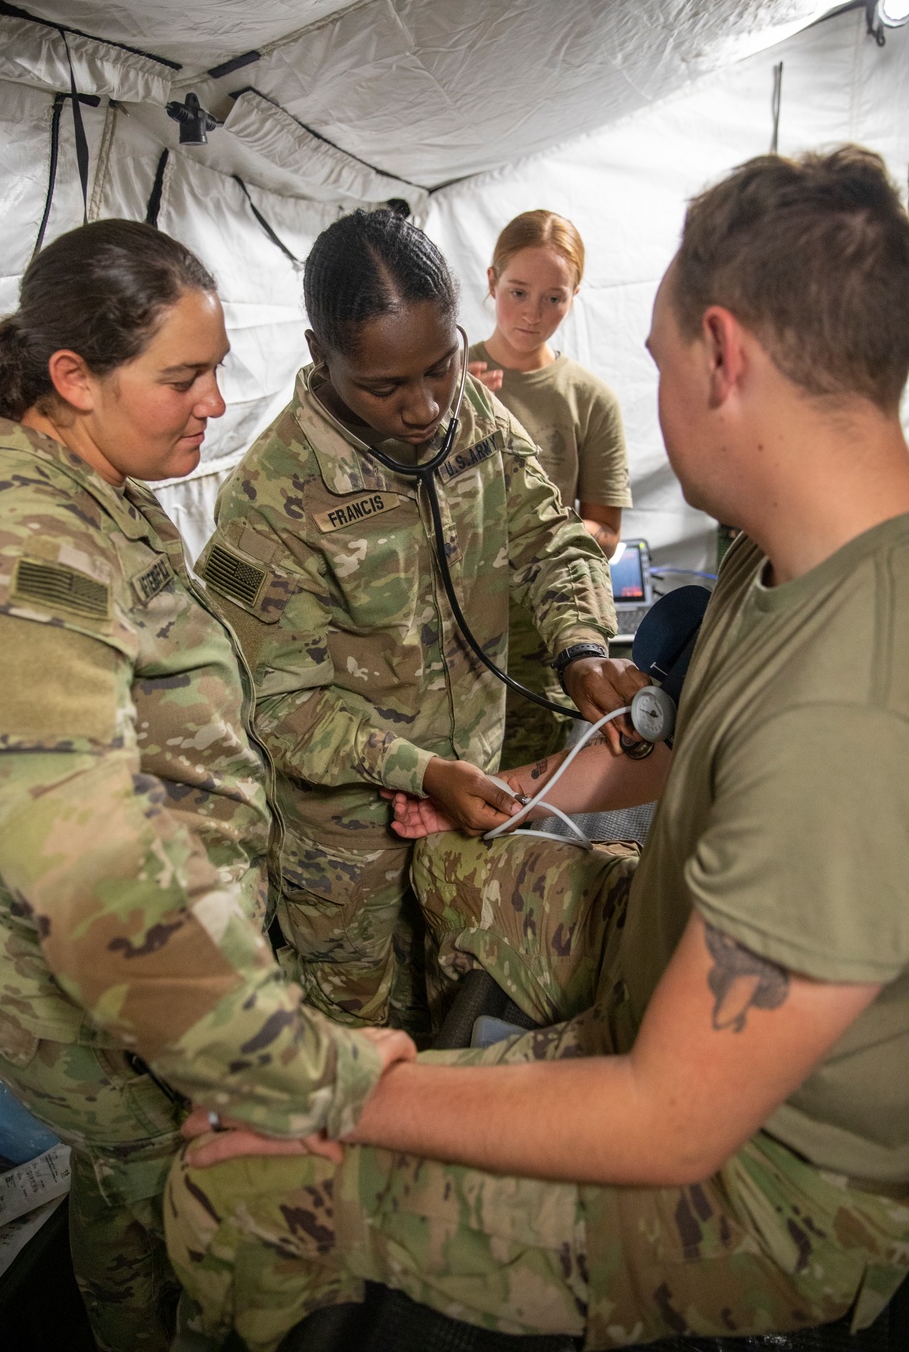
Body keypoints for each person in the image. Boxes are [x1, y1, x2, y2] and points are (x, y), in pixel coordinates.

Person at [166, 146, 909, 1349]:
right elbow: (283, 698)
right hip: (635, 972)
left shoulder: (855, 708)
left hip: (759, 1173)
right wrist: (529, 778)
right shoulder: (774, 560)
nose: (426, 404)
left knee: (224, 1181)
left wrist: (360, 1093)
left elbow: (670, 1121)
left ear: (722, 357)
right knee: (439, 877)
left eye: (657, 361)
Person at [0, 221, 410, 1352]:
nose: (217, 403)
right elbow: (93, 873)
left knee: (128, 1210)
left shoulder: (97, 490)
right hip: (111, 1005)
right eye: (182, 377)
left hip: (156, 980)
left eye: (217, 367)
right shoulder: (11, 545)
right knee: (218, 1237)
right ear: (73, 380)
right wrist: (300, 1073)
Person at [197, 208, 644, 1035]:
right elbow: (280, 705)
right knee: (361, 1040)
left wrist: (580, 647)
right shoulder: (273, 496)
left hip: (472, 799)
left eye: (441, 367)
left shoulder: (472, 409)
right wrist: (417, 768)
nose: (427, 407)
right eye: (385, 386)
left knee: (464, 1007)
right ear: (317, 356)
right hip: (351, 844)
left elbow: (550, 539)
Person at [469, 210, 633, 765]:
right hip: (448, 630)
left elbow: (606, 532)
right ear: (491, 280)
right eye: (518, 291)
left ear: (575, 295)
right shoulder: (440, 382)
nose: (532, 314)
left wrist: (539, 532)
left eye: (554, 298)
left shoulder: (589, 399)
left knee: (519, 801)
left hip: (540, 640)